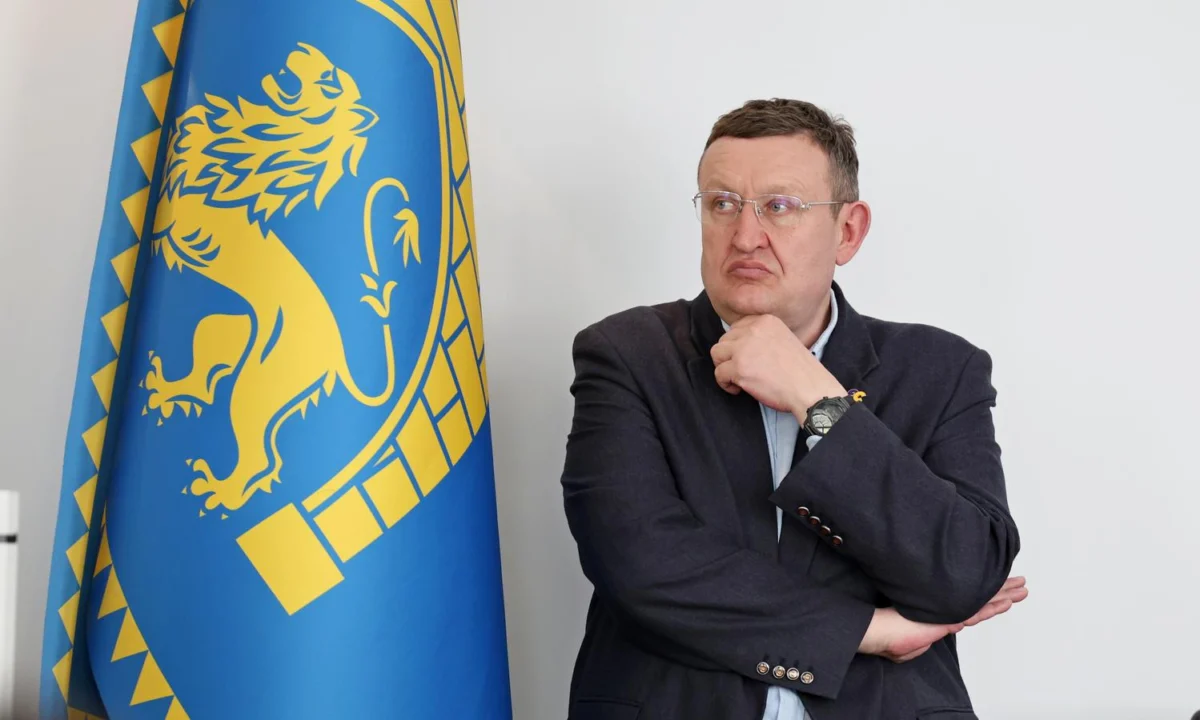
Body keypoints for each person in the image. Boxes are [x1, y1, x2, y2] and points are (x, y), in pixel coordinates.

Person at [558, 98, 1027, 720]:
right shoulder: (627, 355)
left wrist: (815, 397)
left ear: (848, 231)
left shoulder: (941, 370)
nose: (745, 236)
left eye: (780, 206)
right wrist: (867, 630)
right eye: (722, 203)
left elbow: (963, 571)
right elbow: (641, 566)